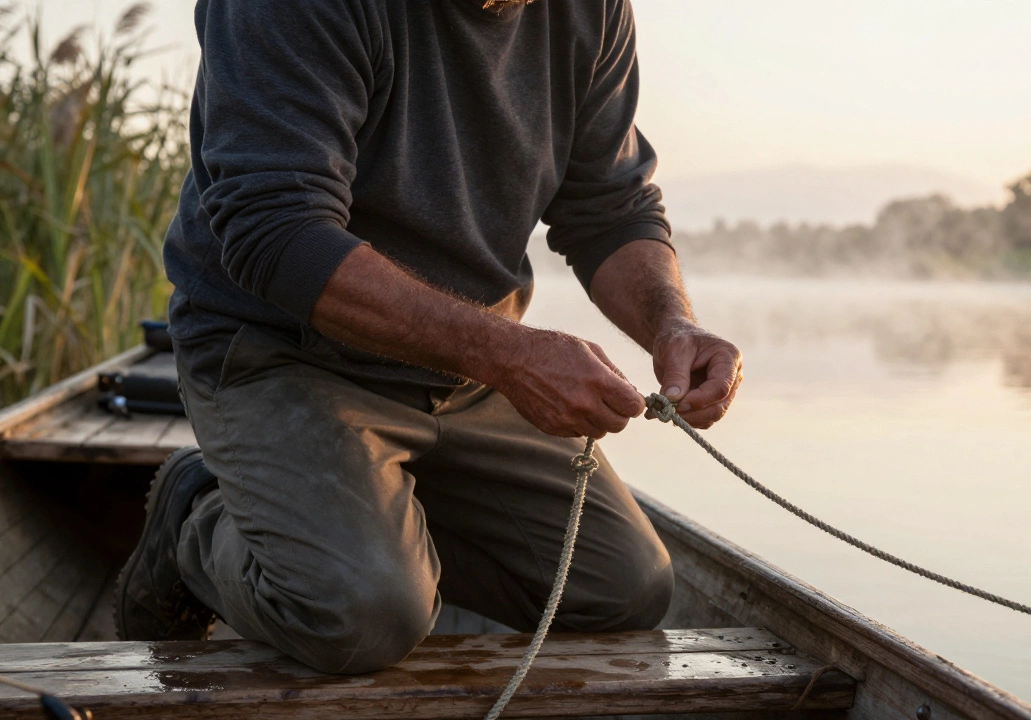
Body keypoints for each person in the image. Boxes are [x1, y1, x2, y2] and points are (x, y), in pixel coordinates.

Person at [115, 0, 743, 675]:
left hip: (467, 373)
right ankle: (195, 514)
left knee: (624, 590)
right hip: (284, 353)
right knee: (362, 617)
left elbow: (611, 209)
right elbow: (277, 233)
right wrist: (510, 356)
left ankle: (356, 520)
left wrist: (671, 323)